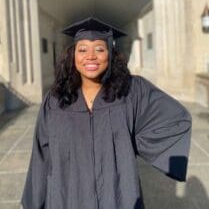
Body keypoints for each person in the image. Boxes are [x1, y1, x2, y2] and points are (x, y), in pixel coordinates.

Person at [21, 17, 192, 209]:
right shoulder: (55, 100)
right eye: (83, 49)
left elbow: (175, 119)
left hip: (118, 193)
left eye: (99, 49)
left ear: (110, 54)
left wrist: (136, 141)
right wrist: (33, 202)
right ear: (73, 55)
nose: (91, 56)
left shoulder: (131, 91)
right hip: (68, 195)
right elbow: (41, 154)